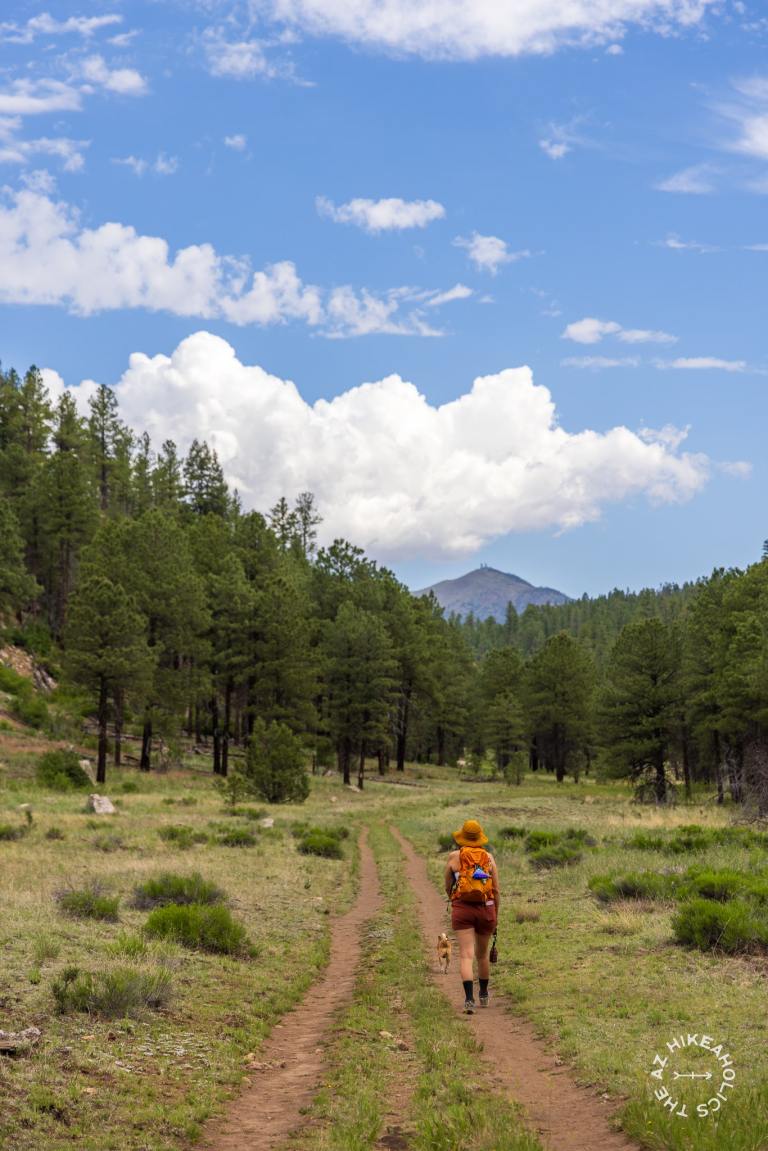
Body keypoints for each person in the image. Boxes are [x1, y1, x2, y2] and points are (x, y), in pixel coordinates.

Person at [444, 819, 500, 1014]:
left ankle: (469, 999)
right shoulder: (489, 858)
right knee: (482, 955)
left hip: (463, 909)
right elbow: (496, 890)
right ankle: (483, 995)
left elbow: (447, 886)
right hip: (486, 909)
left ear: (462, 837)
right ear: (479, 837)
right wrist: (496, 915)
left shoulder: (454, 857)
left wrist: (455, 900)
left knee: (466, 955)